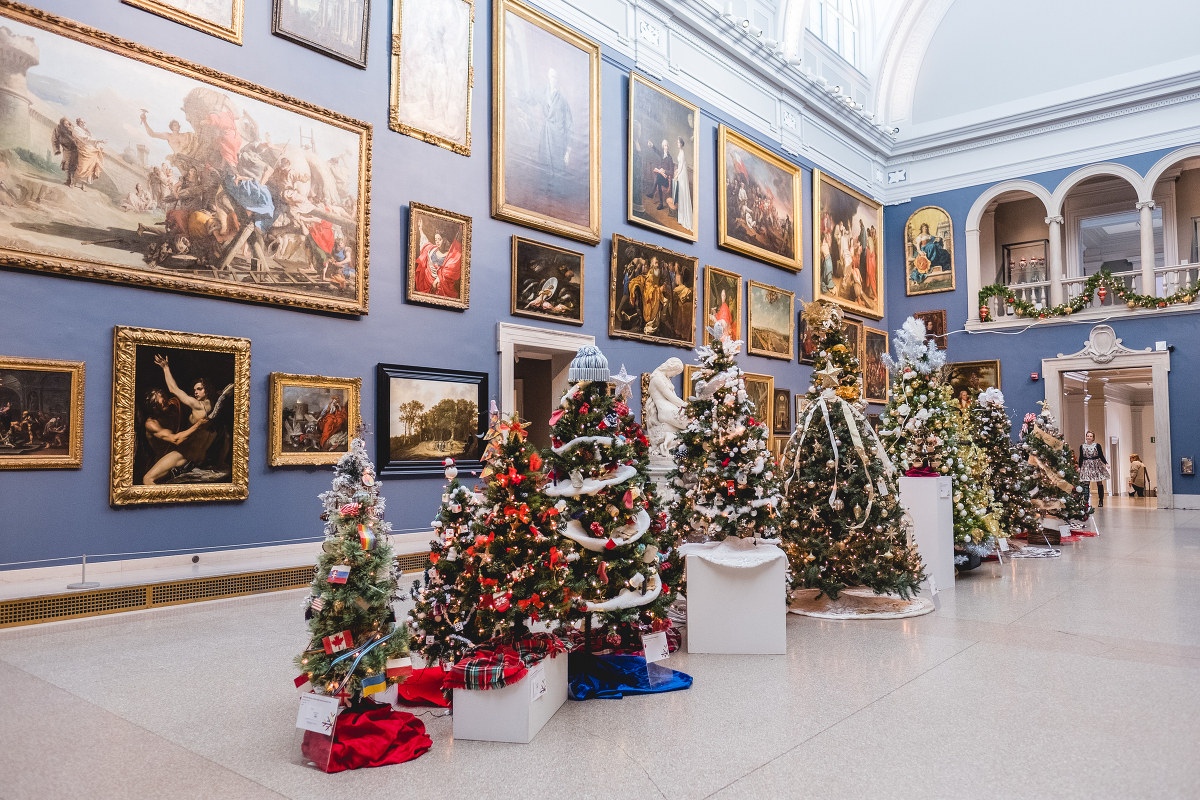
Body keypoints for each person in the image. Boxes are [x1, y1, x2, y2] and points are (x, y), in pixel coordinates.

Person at [538, 68, 572, 194]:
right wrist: (518, 95)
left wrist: (568, 149)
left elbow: (569, 123)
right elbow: (531, 96)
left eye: (555, 77)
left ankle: (557, 190)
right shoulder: (544, 93)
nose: (553, 80)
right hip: (546, 134)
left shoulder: (563, 100)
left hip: (558, 136)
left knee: (557, 164)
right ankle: (544, 187)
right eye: (551, 77)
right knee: (544, 161)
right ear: (548, 77)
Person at [413, 220, 461, 298]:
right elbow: (424, 243)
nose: (437, 242)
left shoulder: (449, 256)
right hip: (427, 283)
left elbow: (449, 271)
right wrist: (420, 229)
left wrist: (437, 280)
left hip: (441, 288)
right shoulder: (432, 249)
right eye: (436, 240)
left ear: (444, 240)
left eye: (439, 239)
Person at [1078, 431, 1110, 508]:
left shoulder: (1097, 446)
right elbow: (1081, 457)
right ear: (1086, 437)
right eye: (1088, 436)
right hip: (1086, 465)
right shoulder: (1082, 446)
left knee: (1099, 482)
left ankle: (1101, 501)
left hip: (1096, 464)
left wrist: (1106, 463)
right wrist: (1079, 467)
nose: (1089, 437)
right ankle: (1086, 501)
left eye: (1090, 436)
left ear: (1093, 438)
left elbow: (1101, 455)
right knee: (1086, 482)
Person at [671, 136, 693, 230]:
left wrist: (677, 174)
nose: (677, 144)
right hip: (681, 172)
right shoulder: (680, 152)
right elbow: (678, 165)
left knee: (683, 193)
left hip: (683, 173)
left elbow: (680, 167)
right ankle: (681, 218)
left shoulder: (682, 153)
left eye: (679, 143)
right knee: (680, 194)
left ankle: (684, 218)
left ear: (682, 144)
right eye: (677, 142)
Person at [648, 139, 673, 210]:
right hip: (661, 177)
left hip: (666, 180)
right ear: (663, 146)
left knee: (658, 177)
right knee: (658, 176)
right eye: (665, 145)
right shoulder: (662, 154)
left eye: (667, 145)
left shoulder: (670, 158)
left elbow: (671, 172)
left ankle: (652, 194)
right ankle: (660, 203)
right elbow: (656, 151)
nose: (666, 147)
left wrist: (664, 171)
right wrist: (652, 145)